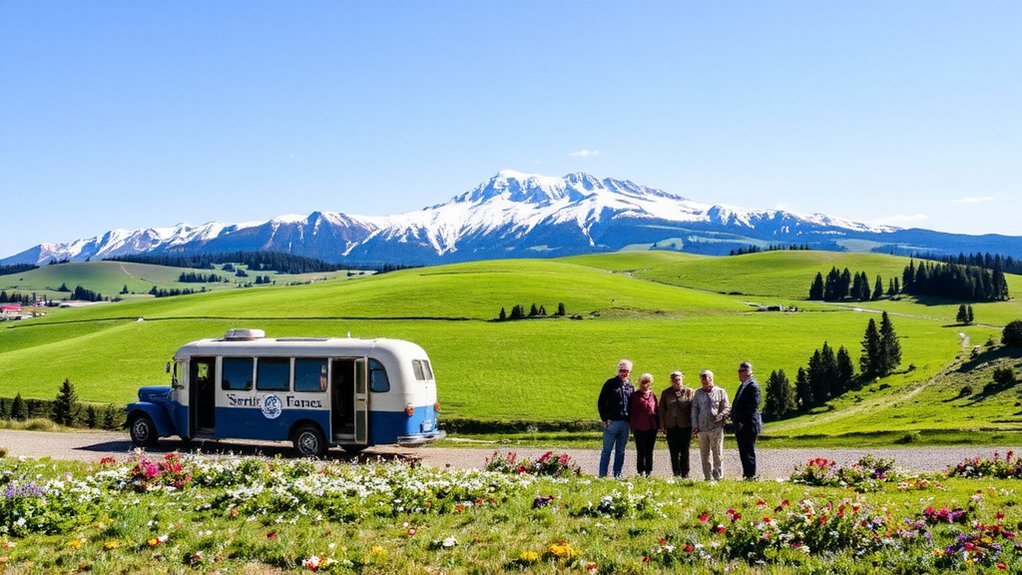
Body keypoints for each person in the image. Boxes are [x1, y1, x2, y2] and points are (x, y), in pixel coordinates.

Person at [691, 369, 730, 481]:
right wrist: (695, 425)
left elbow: (727, 406)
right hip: (702, 428)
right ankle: (707, 477)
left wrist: (721, 415)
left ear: (712, 379)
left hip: (715, 428)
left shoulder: (721, 391)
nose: (705, 383)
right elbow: (694, 409)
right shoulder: (698, 393)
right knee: (704, 454)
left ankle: (718, 476)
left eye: (707, 380)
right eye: (703, 381)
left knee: (717, 453)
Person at [597, 359, 634, 478]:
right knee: (606, 451)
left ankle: (618, 475)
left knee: (620, 451)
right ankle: (602, 476)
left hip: (625, 423)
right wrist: (605, 419)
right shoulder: (610, 383)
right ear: (618, 370)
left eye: (626, 371)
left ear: (630, 372)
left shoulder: (630, 386)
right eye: (621, 370)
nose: (624, 373)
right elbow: (601, 402)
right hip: (612, 422)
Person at [659, 370, 695, 478]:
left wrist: (694, 425)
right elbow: (661, 410)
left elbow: (694, 409)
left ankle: (685, 473)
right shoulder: (666, 393)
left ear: (682, 379)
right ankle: (676, 473)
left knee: (685, 450)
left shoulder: (690, 392)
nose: (677, 382)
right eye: (674, 380)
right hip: (671, 426)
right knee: (673, 451)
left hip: (685, 426)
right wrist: (662, 425)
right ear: (671, 381)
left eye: (679, 379)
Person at [731, 361, 762, 480]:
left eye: (742, 371)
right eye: (739, 371)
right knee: (743, 450)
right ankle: (746, 473)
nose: (739, 373)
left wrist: (741, 421)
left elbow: (752, 407)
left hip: (748, 425)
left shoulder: (753, 386)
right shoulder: (744, 385)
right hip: (740, 424)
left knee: (748, 450)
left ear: (749, 372)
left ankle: (750, 475)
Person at [629, 373, 659, 477]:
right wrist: (631, 426)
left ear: (650, 384)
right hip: (639, 426)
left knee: (649, 451)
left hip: (651, 427)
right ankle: (640, 471)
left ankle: (649, 472)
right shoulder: (634, 396)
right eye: (643, 382)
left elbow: (657, 410)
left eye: (647, 382)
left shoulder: (653, 395)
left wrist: (659, 425)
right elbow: (630, 411)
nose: (644, 385)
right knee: (640, 450)